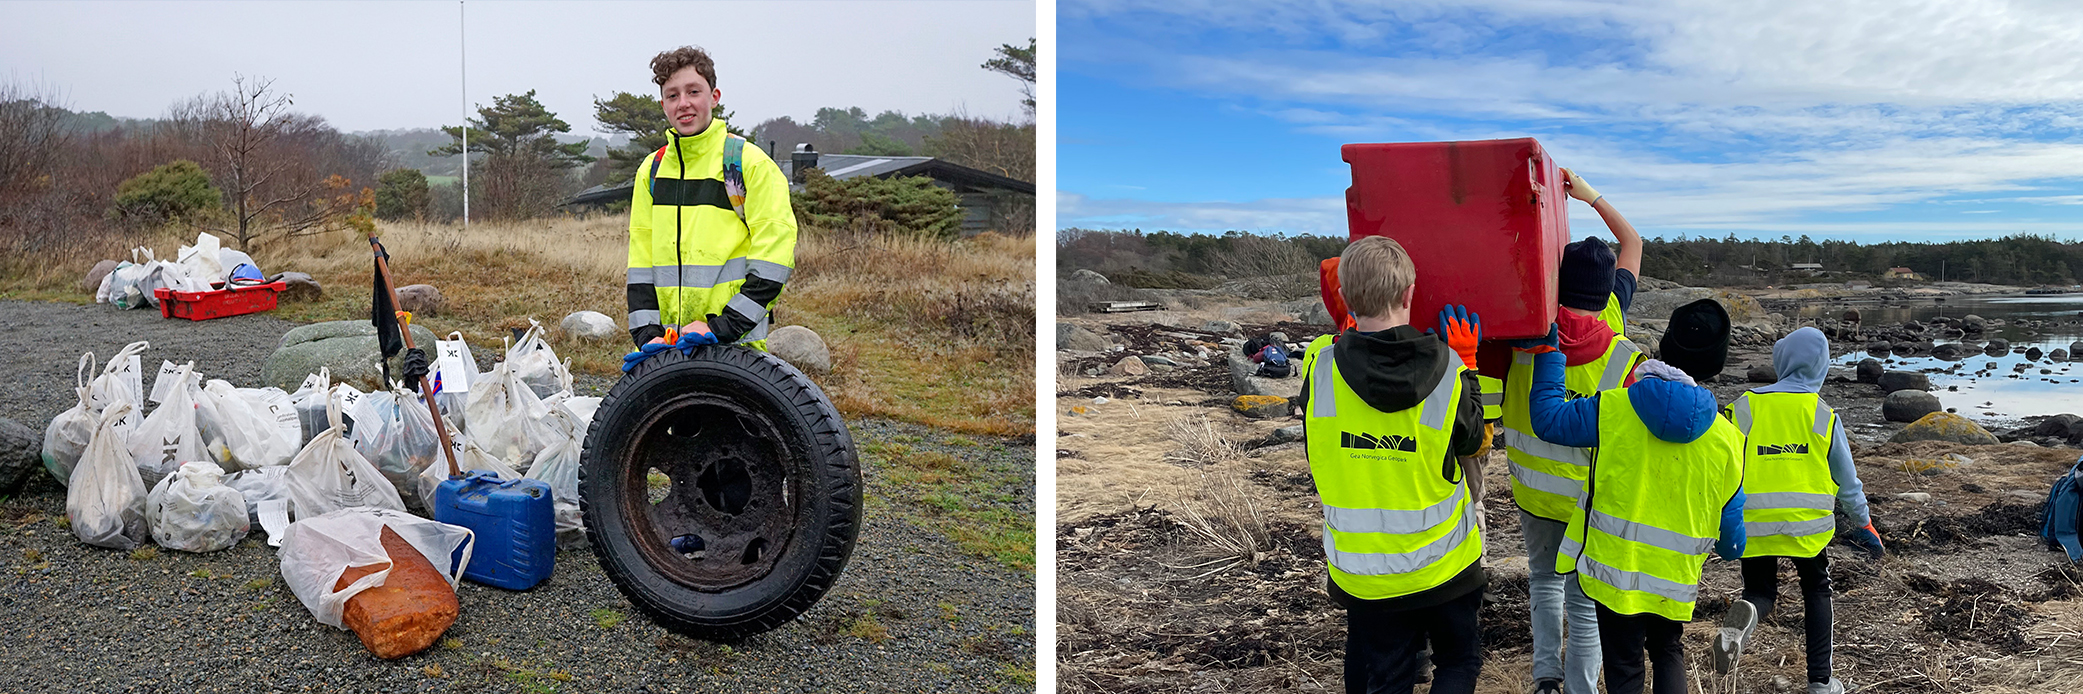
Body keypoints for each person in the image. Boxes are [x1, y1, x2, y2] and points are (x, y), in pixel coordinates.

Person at [1515, 298, 1747, 694]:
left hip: (1612, 575)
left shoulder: (1613, 409)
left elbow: (1549, 419)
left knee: (1624, 665)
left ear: (1665, 345)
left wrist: (1551, 353)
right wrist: (1732, 544)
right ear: (1716, 365)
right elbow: (1731, 541)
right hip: (1673, 581)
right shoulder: (1729, 439)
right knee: (1668, 650)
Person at [1298, 236, 1489, 694]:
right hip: (1445, 567)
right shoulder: (1449, 373)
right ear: (1409, 295)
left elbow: (1317, 450)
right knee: (1458, 661)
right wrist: (1468, 367)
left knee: (1385, 676)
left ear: (1344, 297)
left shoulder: (1318, 373)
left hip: (1365, 574)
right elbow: (1476, 446)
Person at [1496, 168, 1645, 694]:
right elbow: (1633, 242)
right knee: (1585, 600)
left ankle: (1545, 680)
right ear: (1609, 291)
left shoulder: (1527, 330)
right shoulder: (1619, 333)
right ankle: (1581, 687)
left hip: (1533, 491)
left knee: (1543, 582)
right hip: (1589, 498)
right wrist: (1589, 195)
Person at [1710, 327, 1885, 694]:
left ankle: (1748, 617)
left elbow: (1719, 464)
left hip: (1753, 522)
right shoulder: (1823, 415)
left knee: (1761, 591)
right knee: (1816, 591)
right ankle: (1821, 682)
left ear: (1782, 361)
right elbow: (1848, 481)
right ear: (1821, 367)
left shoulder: (1743, 407)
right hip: (1809, 529)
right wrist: (1864, 522)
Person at [624, 45, 799, 369]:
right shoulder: (652, 171)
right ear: (663, 104)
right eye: (673, 95)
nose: (684, 103)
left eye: (694, 91)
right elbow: (640, 261)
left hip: (738, 348)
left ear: (715, 95)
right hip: (669, 350)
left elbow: (775, 256)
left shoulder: (748, 163)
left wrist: (722, 326)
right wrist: (647, 334)